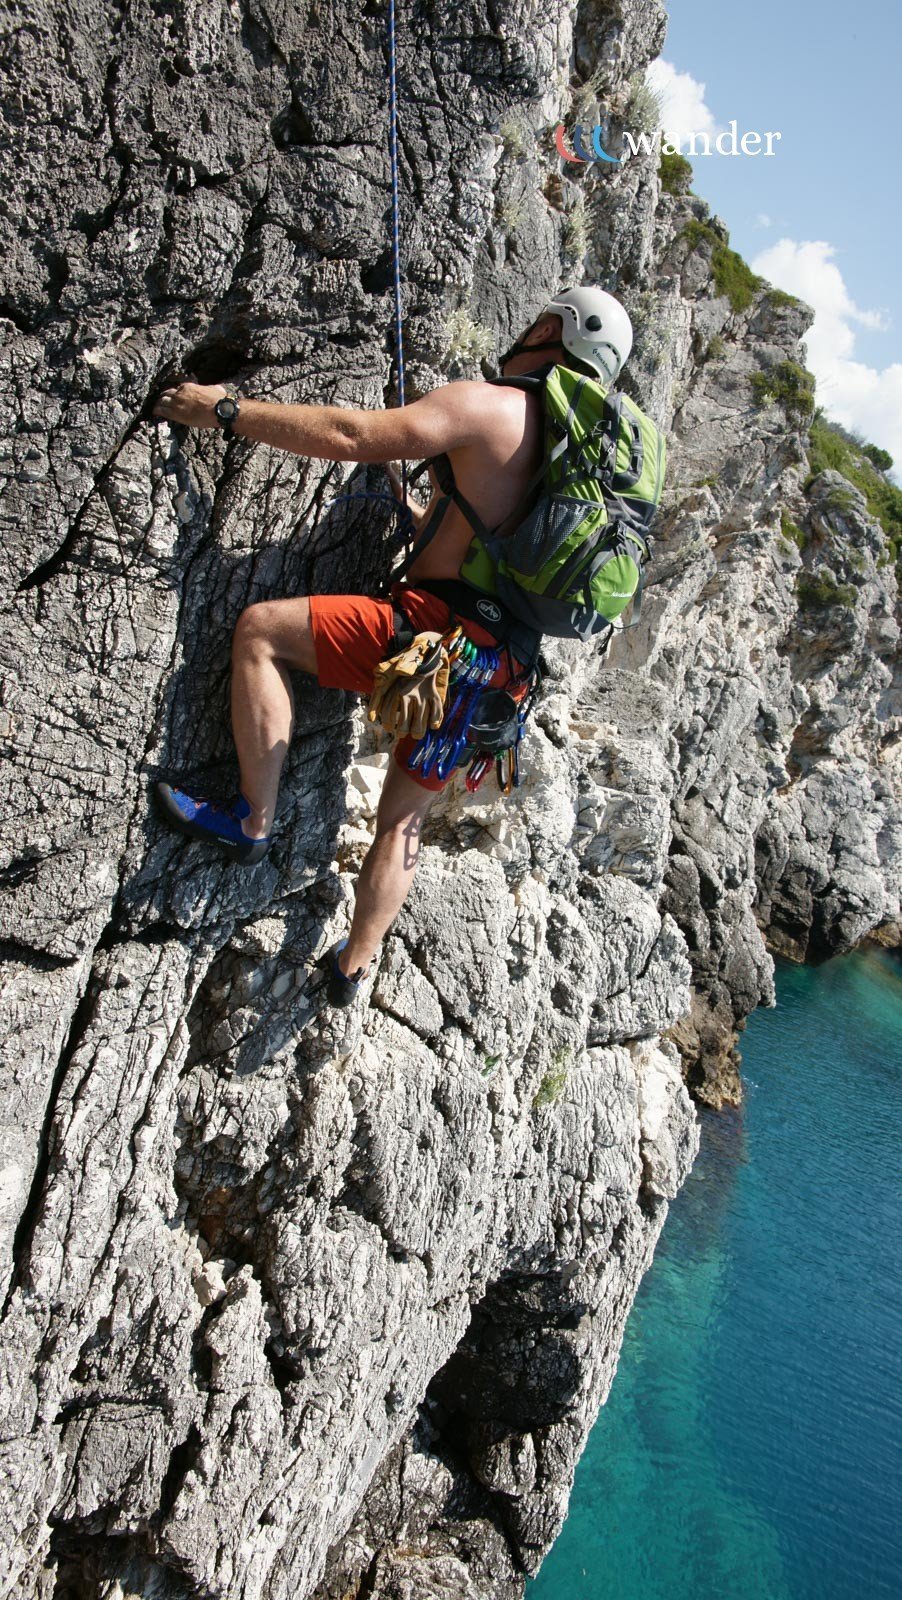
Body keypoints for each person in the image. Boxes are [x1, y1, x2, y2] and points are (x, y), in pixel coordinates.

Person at [152, 288, 633, 1003]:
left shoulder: (491, 406)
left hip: (425, 640)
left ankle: (251, 820)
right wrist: (422, 516)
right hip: (496, 671)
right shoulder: (588, 462)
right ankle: (353, 966)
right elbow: (499, 539)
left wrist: (223, 411)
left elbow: (350, 433)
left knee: (259, 632)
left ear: (549, 329)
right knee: (401, 821)